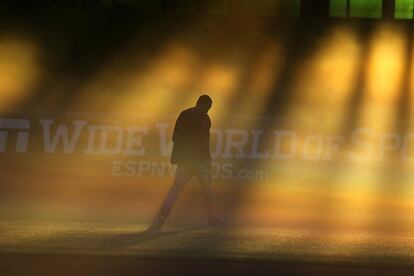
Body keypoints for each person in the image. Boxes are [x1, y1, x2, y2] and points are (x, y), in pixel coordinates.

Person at [148, 95, 222, 231]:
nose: (208, 110)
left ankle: (163, 215)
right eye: (209, 107)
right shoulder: (205, 118)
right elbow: (204, 141)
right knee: (207, 190)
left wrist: (184, 153)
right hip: (200, 161)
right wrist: (207, 159)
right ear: (206, 105)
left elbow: (175, 137)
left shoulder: (185, 114)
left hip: (185, 160)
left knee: (176, 188)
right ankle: (211, 218)